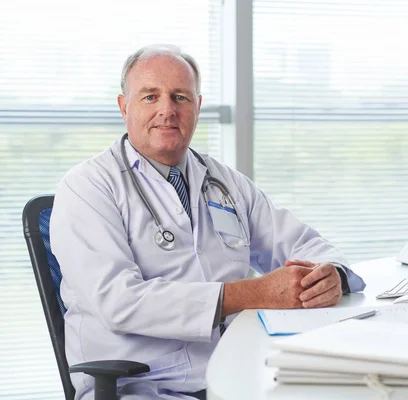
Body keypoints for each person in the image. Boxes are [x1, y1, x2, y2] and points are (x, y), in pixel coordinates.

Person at [50, 44, 366, 400]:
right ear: (125, 107)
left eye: (180, 97)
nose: (167, 110)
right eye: (150, 96)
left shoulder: (223, 181)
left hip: (238, 370)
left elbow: (302, 243)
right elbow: (119, 302)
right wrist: (252, 293)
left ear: (197, 107)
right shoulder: (87, 187)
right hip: (142, 384)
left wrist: (332, 275)